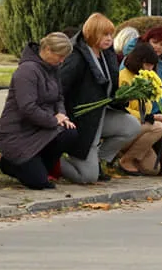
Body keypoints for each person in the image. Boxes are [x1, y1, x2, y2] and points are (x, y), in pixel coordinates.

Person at [0, 33, 77, 189]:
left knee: (69, 132)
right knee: (39, 183)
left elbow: (59, 97)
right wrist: (54, 120)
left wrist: (62, 116)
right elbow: (28, 108)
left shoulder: (53, 68)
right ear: (47, 49)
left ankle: (39, 166)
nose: (62, 61)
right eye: (59, 56)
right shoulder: (27, 71)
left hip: (41, 128)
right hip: (17, 134)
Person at [59, 13, 141, 184]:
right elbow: (60, 88)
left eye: (111, 34)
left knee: (132, 126)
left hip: (101, 114)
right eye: (105, 35)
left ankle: (96, 159)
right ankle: (50, 159)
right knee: (87, 178)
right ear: (92, 34)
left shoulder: (106, 54)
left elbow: (111, 88)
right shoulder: (77, 57)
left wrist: (124, 96)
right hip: (82, 120)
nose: (109, 39)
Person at [115, 43, 162, 175]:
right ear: (140, 62)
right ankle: (126, 160)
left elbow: (147, 108)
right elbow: (123, 108)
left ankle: (132, 153)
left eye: (152, 66)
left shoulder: (146, 78)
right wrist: (150, 117)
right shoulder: (124, 76)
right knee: (158, 127)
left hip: (140, 126)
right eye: (148, 65)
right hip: (126, 126)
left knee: (153, 169)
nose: (151, 69)